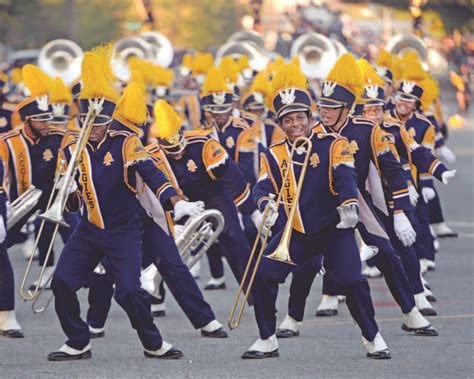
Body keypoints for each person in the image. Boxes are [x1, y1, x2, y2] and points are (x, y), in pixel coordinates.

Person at [47, 52, 201, 361]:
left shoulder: (125, 141)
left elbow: (150, 171)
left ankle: (153, 344)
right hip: (89, 230)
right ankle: (78, 341)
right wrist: (70, 191)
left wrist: (176, 201)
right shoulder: (69, 146)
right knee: (61, 282)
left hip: (124, 230)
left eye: (99, 123)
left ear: (108, 120)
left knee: (129, 291)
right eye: (88, 123)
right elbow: (72, 205)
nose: (94, 129)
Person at [241, 62, 390, 360]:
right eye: (288, 120)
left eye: (300, 117)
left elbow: (345, 175)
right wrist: (264, 205)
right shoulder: (273, 154)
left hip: (333, 230)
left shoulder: (335, 144)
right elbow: (262, 186)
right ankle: (267, 338)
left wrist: (349, 204)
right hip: (296, 231)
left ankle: (372, 337)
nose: (295, 124)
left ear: (309, 118)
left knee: (352, 282)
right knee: (263, 275)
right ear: (280, 123)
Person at [85, 83, 227, 339]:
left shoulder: (133, 142)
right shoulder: (96, 147)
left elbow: (153, 175)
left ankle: (206, 320)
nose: (128, 136)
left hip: (145, 217)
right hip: (116, 221)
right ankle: (94, 323)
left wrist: (176, 202)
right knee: (105, 269)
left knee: (173, 265)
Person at [0, 65, 77, 290]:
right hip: (20, 200)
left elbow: (75, 157)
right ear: (27, 121)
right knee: (5, 241)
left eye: (48, 118)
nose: (46, 124)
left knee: (75, 233)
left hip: (54, 198)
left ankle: (61, 273)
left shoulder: (58, 136)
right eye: (41, 120)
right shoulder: (7, 141)